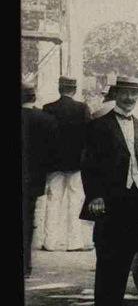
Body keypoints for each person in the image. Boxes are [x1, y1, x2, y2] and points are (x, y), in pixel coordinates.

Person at [80, 75, 138, 306]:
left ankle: (116, 304)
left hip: (135, 197)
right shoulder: (98, 126)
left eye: (133, 94)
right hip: (109, 198)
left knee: (126, 251)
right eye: (124, 93)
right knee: (106, 252)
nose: (129, 98)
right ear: (116, 94)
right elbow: (88, 165)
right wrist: (95, 196)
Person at [41, 77, 94, 251]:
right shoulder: (82, 109)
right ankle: (74, 242)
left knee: (53, 200)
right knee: (75, 201)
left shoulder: (48, 109)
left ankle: (49, 242)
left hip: (53, 163)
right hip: (76, 163)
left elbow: (45, 138)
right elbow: (89, 136)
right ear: (74, 89)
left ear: (59, 88)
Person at [22, 82, 59, 278]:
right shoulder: (46, 120)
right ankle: (25, 266)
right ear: (33, 97)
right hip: (34, 179)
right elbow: (53, 153)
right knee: (27, 221)